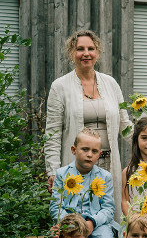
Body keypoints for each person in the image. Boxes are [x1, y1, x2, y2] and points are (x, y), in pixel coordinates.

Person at [45, 29, 133, 221]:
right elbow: (52, 134)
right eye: (80, 49)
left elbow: (125, 125)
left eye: (91, 48)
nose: (86, 53)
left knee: (108, 216)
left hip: (108, 163)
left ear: (97, 52)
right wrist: (52, 171)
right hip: (77, 166)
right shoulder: (59, 87)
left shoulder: (110, 83)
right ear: (71, 53)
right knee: (74, 219)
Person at [49, 127, 116, 238]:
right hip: (68, 225)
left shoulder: (105, 177)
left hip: (95, 225)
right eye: (85, 149)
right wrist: (67, 223)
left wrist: (92, 222)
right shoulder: (62, 174)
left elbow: (108, 209)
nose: (89, 154)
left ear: (100, 154)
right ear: (74, 150)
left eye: (94, 151)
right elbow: (56, 206)